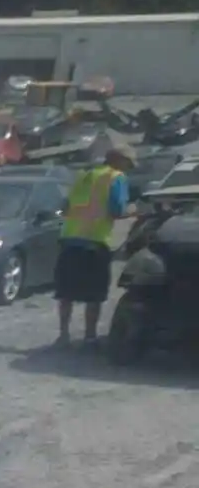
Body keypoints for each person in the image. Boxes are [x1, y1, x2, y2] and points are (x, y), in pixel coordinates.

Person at [54, 147, 136, 347]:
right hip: (95, 242)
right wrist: (136, 211)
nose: (129, 168)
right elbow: (117, 210)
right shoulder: (116, 178)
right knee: (95, 294)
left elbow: (65, 206)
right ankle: (89, 337)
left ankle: (63, 335)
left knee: (66, 293)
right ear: (118, 160)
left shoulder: (83, 175)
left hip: (70, 239)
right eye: (129, 163)